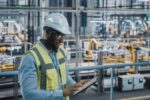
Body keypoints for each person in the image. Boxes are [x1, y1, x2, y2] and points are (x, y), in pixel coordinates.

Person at [19, 13, 85, 100]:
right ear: (47, 32)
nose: (61, 40)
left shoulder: (61, 51)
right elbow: (29, 94)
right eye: (58, 35)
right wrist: (62, 93)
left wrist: (76, 86)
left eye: (63, 35)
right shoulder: (30, 58)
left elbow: (65, 77)